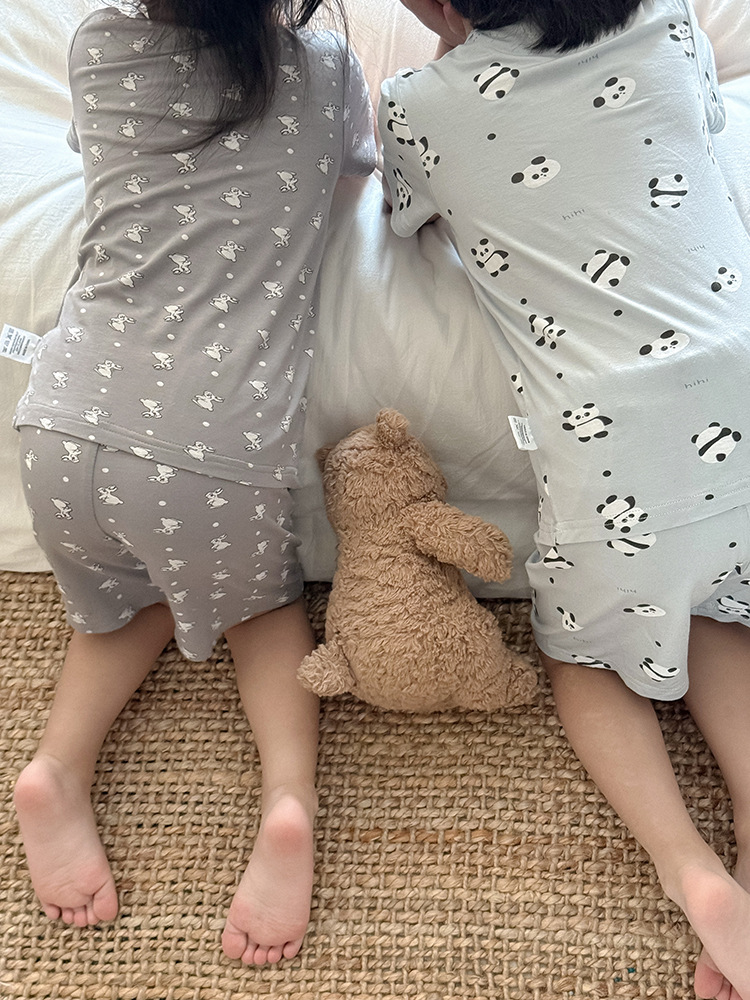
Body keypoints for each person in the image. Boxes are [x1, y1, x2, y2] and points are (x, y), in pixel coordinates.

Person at [378, 1, 750, 996]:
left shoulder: (420, 105)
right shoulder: (670, 23)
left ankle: (689, 866)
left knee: (582, 657)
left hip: (612, 443)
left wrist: (454, 51)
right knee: (721, 607)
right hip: (742, 399)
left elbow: (406, 214)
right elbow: (704, 123)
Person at [12, 0, 375, 966]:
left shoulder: (98, 46)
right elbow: (356, 178)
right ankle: (288, 802)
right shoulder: (325, 71)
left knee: (119, 602)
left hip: (59, 421)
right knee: (263, 617)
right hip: (206, 453)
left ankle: (56, 768)